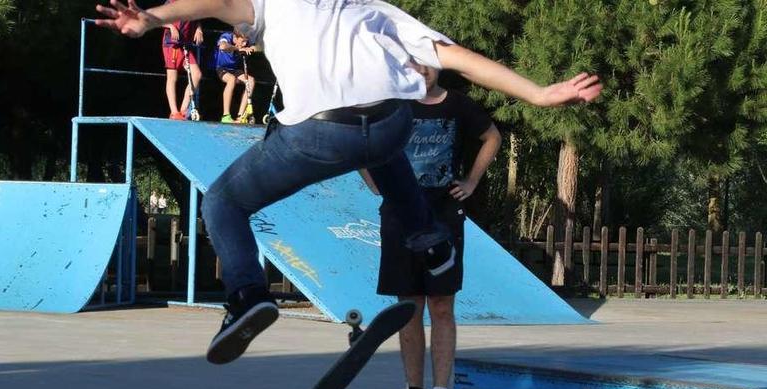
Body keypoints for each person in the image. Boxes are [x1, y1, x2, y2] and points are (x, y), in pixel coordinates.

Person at [94, 0, 602, 366]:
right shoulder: (380, 11)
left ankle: (248, 297)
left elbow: (210, 3)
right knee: (383, 147)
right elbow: (460, 57)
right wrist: (537, 94)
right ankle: (429, 241)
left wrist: (152, 18)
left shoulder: (273, 4)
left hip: (320, 133)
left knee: (224, 203)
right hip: (389, 124)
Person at [361, 66, 501, 389]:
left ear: (438, 67)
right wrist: (373, 180)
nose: (421, 70)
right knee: (408, 305)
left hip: (443, 216)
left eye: (427, 63)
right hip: (399, 216)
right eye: (413, 63)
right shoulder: (393, 106)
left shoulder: (458, 105)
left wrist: (471, 182)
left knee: (441, 304)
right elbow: (359, 141)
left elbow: (492, 137)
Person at [161, 1, 203, 119]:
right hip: (172, 43)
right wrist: (171, 26)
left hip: (185, 44)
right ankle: (174, 112)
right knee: (172, 77)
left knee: (197, 74)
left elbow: (198, 18)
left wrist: (199, 29)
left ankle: (184, 109)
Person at [214, 29, 256, 123]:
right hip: (222, 68)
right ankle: (226, 115)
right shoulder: (226, 36)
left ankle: (240, 116)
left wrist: (251, 48)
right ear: (235, 37)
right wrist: (237, 49)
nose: (245, 44)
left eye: (246, 41)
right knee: (231, 79)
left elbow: (257, 46)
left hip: (235, 70)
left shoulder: (245, 40)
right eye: (243, 41)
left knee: (251, 81)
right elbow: (222, 46)